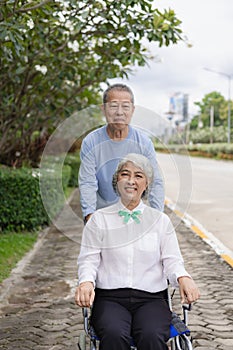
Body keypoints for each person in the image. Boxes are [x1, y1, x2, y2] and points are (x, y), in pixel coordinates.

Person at [75, 153, 200, 350]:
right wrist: (86, 282)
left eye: (138, 176)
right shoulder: (99, 220)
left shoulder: (160, 221)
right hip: (110, 298)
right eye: (125, 174)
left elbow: (172, 260)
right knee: (115, 334)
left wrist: (183, 277)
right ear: (117, 180)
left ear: (146, 184)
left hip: (151, 298)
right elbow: (88, 260)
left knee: (151, 335)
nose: (131, 181)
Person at [78, 83, 164, 223]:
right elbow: (87, 182)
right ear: (104, 109)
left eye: (125, 106)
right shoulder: (91, 141)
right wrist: (89, 216)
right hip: (103, 216)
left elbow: (155, 182)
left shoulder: (143, 142)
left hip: (135, 215)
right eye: (113, 106)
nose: (119, 112)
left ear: (132, 110)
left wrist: (158, 218)